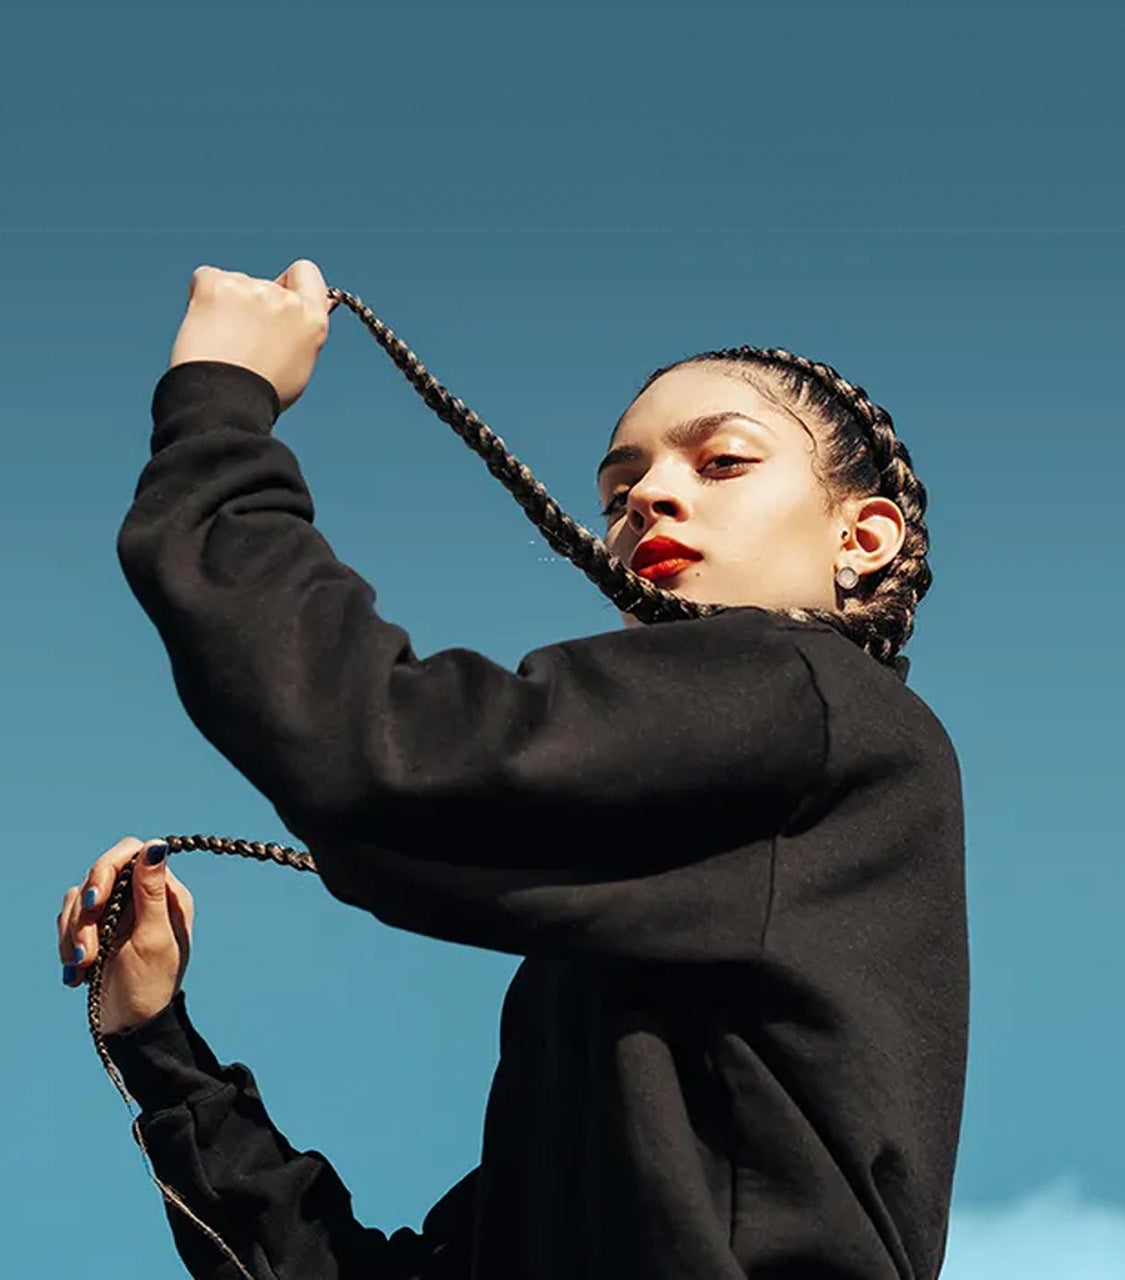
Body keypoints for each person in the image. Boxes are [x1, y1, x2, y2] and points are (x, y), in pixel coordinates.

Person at [57, 260, 969, 1279]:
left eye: (721, 463)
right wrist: (157, 1042)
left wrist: (222, 402)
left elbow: (381, 754)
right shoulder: (624, 982)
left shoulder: (809, 694)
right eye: (620, 490)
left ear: (864, 538)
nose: (647, 499)